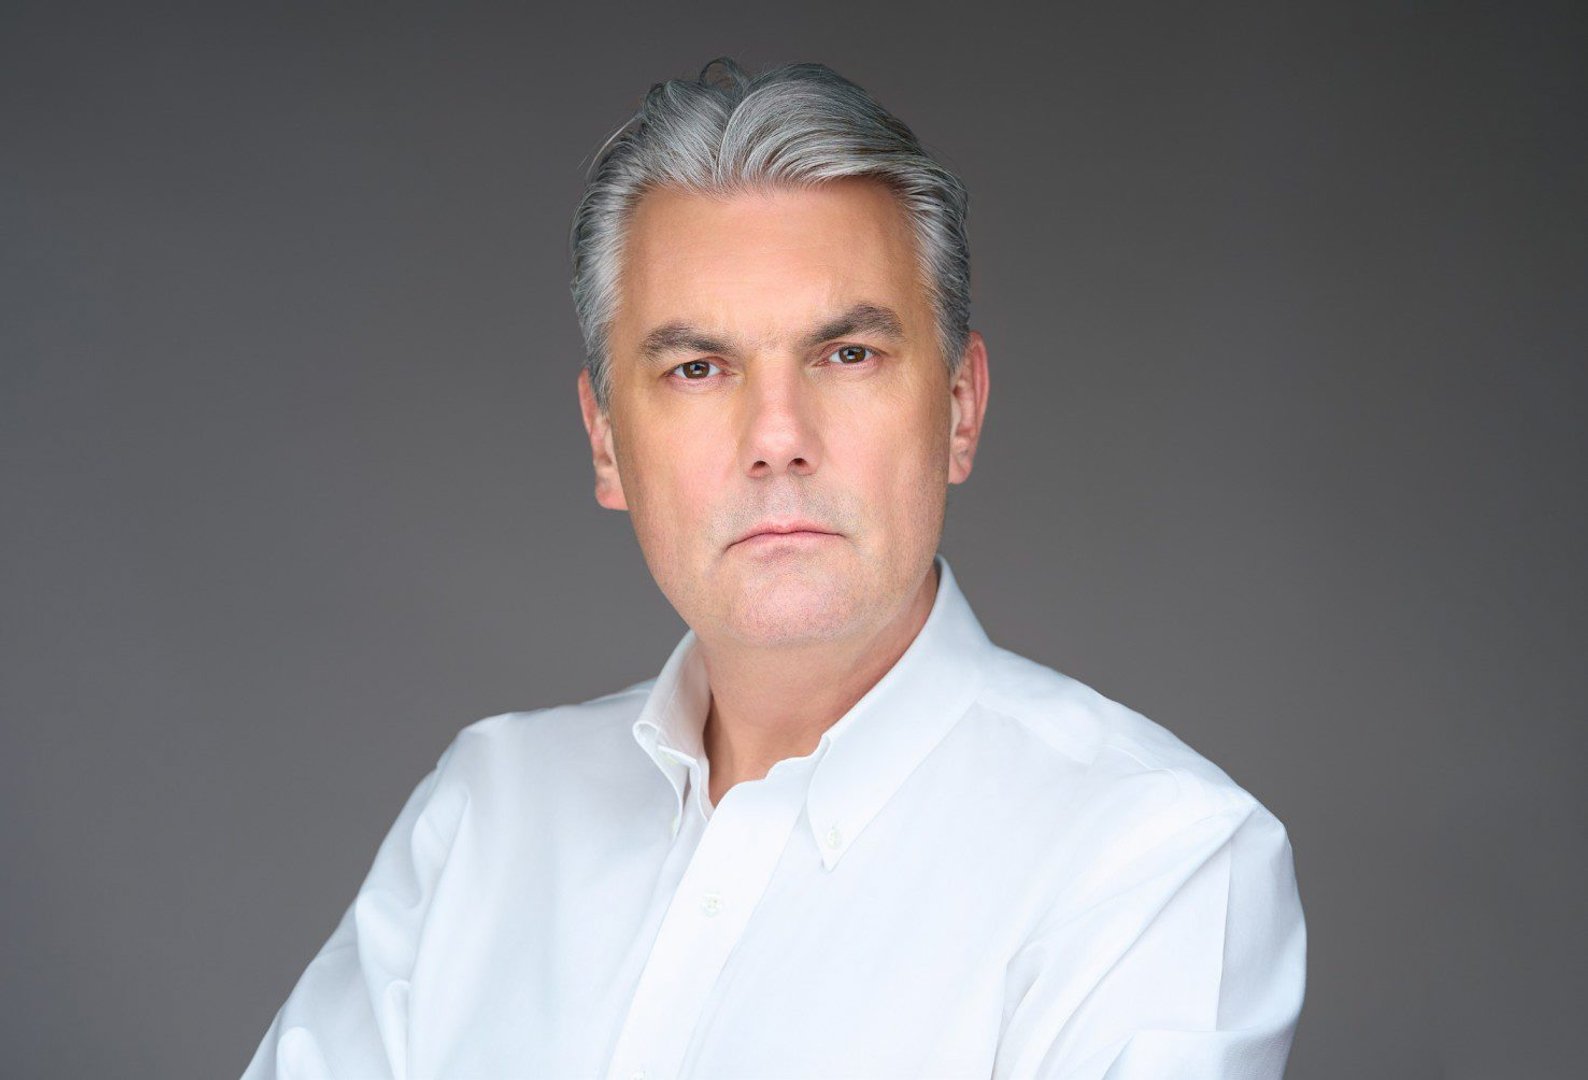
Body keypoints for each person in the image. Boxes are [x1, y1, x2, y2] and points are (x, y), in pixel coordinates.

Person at [244, 57, 1306, 1079]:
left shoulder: (1151, 860)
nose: (777, 438)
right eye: (697, 368)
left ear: (958, 409)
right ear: (606, 442)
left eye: (847, 355)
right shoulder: (486, 816)